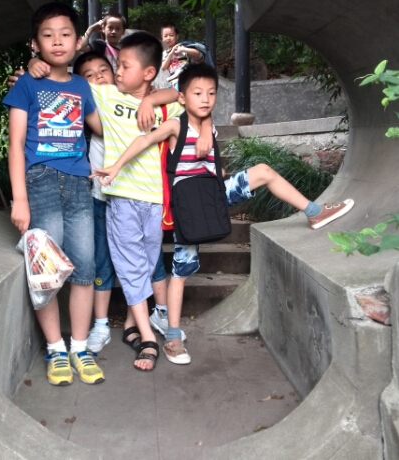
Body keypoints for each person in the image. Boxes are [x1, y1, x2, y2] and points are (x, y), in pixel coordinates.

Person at [93, 62, 355, 366]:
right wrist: (116, 166)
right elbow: (144, 139)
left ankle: (314, 212)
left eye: (211, 93)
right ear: (184, 97)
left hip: (214, 195)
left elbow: (202, 123)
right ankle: (173, 338)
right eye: (197, 93)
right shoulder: (176, 125)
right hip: (189, 207)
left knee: (263, 171)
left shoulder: (209, 125)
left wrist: (208, 134)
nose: (205, 99)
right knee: (181, 271)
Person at [88, 32, 213, 371]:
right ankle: (147, 337)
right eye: (117, 64)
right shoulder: (106, 95)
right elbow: (67, 85)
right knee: (130, 267)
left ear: (148, 72)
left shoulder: (166, 106)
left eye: (124, 66)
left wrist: (154, 101)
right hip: (123, 199)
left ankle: (133, 324)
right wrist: (33, 68)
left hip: (156, 201)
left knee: (144, 264)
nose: (116, 71)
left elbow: (191, 100)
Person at [3, 2, 105, 387]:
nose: (57, 41)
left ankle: (79, 347)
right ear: (35, 44)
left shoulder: (81, 87)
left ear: (78, 42)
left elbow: (102, 126)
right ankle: (56, 349)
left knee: (84, 267)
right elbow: (15, 145)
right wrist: (19, 198)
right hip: (40, 182)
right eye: (48, 35)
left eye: (65, 34)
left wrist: (142, 100)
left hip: (79, 185)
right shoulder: (27, 85)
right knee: (45, 270)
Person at [71, 51, 184, 353]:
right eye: (89, 75)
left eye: (104, 70)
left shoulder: (130, 100)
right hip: (103, 196)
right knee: (104, 261)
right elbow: (66, 85)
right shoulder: (100, 102)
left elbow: (177, 94)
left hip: (143, 194)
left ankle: (154, 315)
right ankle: (101, 324)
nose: (99, 77)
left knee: (150, 260)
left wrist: (149, 99)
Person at [157, 23, 207, 89]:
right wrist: (171, 53)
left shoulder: (182, 47)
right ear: (162, 38)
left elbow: (198, 54)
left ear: (177, 36)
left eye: (171, 35)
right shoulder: (164, 54)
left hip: (185, 79)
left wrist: (183, 49)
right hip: (173, 82)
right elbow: (163, 67)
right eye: (165, 36)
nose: (168, 38)